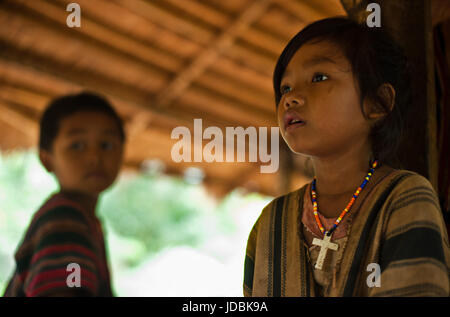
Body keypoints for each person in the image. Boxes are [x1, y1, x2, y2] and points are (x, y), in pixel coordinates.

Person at [243, 17, 450, 297]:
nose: (290, 99)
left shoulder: (405, 199)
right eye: (285, 88)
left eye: (319, 77)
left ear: (377, 103)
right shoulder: (270, 224)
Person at [3, 92, 125, 296]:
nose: (95, 157)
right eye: (77, 146)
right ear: (47, 159)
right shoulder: (66, 219)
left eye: (106, 145)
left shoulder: (84, 221)